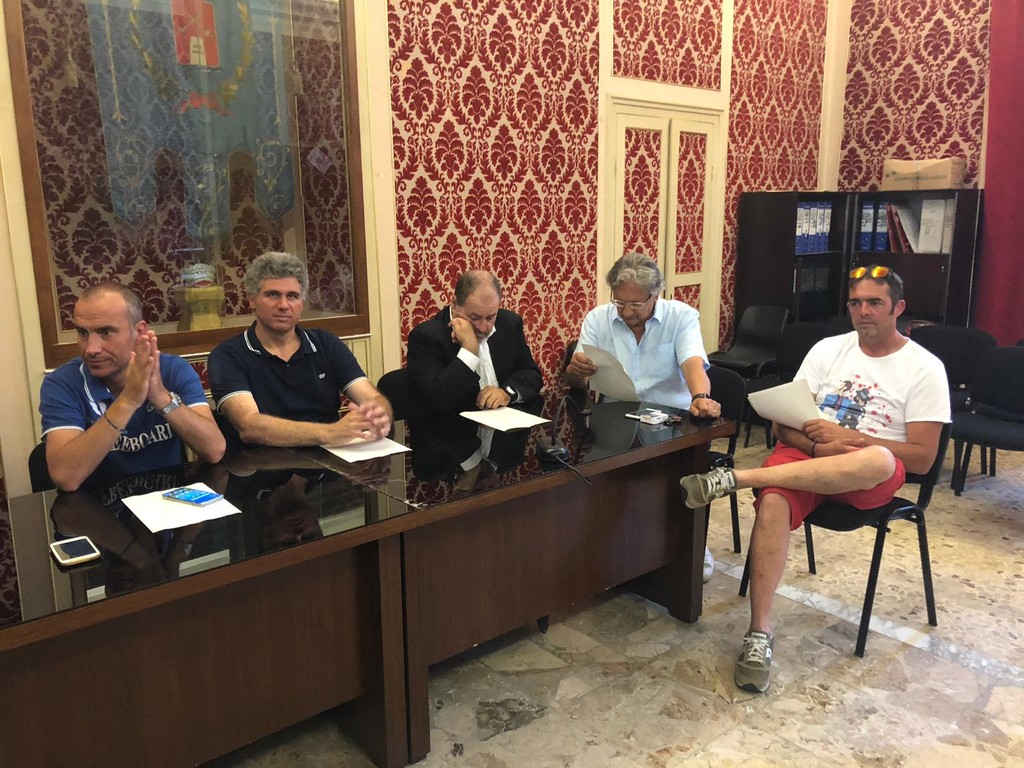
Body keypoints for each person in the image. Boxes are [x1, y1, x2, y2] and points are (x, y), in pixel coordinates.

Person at [679, 265, 950, 694]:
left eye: (875, 303)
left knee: (879, 459)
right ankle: (759, 633)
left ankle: (737, 478)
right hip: (808, 455)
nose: (863, 311)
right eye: (856, 303)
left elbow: (922, 457)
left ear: (898, 308)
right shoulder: (828, 349)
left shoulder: (925, 367)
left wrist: (849, 438)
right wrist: (818, 449)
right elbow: (782, 424)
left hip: (866, 471)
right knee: (773, 503)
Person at [564, 252, 721, 583]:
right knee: (587, 475)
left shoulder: (681, 317)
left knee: (674, 476)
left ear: (655, 295)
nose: (626, 312)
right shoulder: (598, 319)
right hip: (615, 417)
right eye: (620, 302)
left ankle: (690, 547)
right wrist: (576, 370)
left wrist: (700, 398)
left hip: (672, 420)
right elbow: (575, 378)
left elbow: (692, 363)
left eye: (636, 305)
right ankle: (611, 552)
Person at [39, 283, 226, 491]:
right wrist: (128, 400)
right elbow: (65, 477)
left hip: (167, 500)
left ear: (139, 331)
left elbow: (214, 450)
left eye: (105, 332)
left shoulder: (173, 370)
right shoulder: (62, 383)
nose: (91, 348)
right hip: (96, 504)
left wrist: (159, 395)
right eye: (83, 333)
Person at [208, 252, 392, 448]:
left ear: (302, 303)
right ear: (252, 300)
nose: (283, 305)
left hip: (330, 459)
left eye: (292, 296)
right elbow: (250, 426)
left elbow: (372, 398)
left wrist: (379, 414)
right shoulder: (227, 356)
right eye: (273, 295)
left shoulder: (326, 343)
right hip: (262, 462)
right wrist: (330, 432)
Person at [407, 270, 543, 486]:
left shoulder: (509, 323)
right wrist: (470, 350)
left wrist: (506, 392)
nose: (483, 327)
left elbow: (532, 374)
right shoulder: (427, 337)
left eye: (490, 317)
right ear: (455, 305)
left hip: (501, 445)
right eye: (474, 317)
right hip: (449, 446)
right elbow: (439, 399)